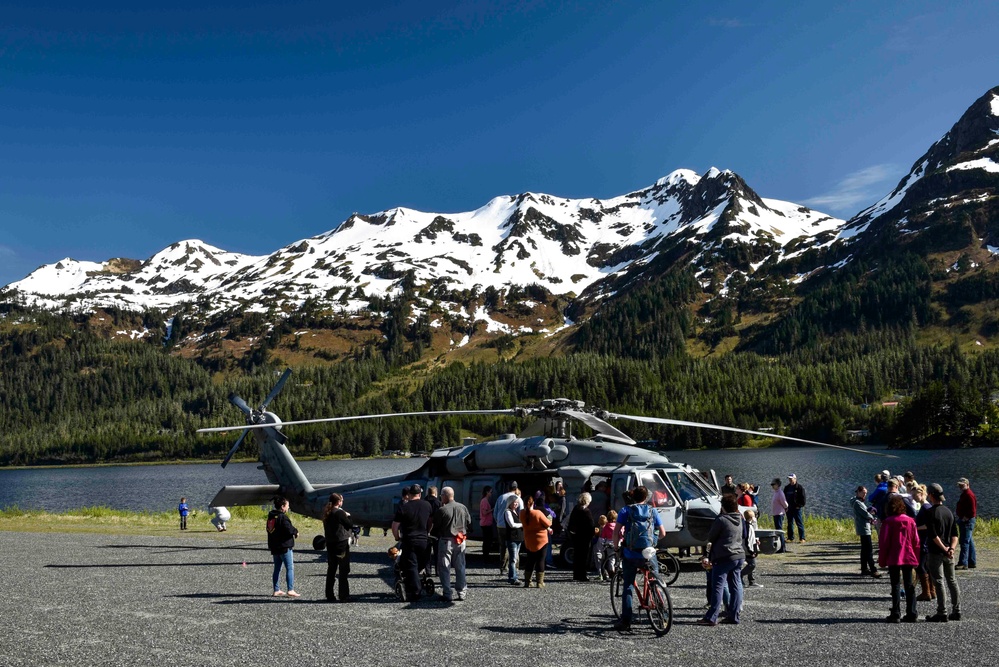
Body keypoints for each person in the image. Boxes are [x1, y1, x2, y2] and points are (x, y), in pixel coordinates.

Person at [612, 486, 666, 632]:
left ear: (632, 496)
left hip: (631, 553)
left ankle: (626, 621)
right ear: (646, 497)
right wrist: (653, 542)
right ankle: (663, 614)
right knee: (655, 580)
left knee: (628, 585)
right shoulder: (652, 510)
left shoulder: (625, 511)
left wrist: (617, 548)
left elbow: (616, 533)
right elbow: (662, 533)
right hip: (648, 553)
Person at [698, 495, 746, 626]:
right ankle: (734, 615)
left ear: (723, 506)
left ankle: (712, 617)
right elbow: (744, 535)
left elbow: (711, 537)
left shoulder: (721, 520)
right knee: (736, 586)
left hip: (724, 556)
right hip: (738, 555)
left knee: (718, 586)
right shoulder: (740, 518)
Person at [921, 483, 961, 622]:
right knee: (952, 581)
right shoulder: (949, 512)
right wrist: (952, 549)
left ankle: (942, 612)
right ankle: (957, 611)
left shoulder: (930, 513)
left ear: (931, 495)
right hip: (949, 552)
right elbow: (955, 534)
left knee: (939, 581)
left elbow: (933, 535)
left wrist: (944, 549)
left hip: (935, 552)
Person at [878, 495, 920, 623]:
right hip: (908, 555)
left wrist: (882, 559)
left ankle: (896, 613)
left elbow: (883, 542)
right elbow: (916, 541)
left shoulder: (888, 521)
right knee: (909, 585)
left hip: (894, 556)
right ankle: (912, 612)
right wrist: (916, 558)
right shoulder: (910, 521)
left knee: (895, 585)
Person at [391, 483, 432, 603]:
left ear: (409, 494)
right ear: (420, 494)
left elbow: (395, 525)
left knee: (411, 565)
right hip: (423, 539)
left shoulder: (404, 507)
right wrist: (427, 532)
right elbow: (431, 521)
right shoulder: (427, 505)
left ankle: (415, 590)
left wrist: (397, 537)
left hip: (409, 539)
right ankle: (417, 582)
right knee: (422, 562)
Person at [431, 486, 472, 602]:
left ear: (444, 496)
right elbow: (469, 524)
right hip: (460, 540)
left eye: (441, 496)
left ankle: (447, 593)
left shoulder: (442, 510)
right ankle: (462, 592)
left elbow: (436, 527)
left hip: (446, 540)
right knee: (460, 567)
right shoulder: (463, 507)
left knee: (444, 567)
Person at [266, 496, 300, 597]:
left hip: (275, 546)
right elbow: (289, 529)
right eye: (287, 506)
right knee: (289, 567)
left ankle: (276, 589)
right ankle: (290, 589)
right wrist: (296, 532)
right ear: (282, 506)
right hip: (284, 547)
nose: (288, 508)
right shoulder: (283, 517)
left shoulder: (271, 517)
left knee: (277, 568)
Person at [322, 493, 353, 603]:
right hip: (341, 544)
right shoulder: (339, 513)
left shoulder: (327, 512)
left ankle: (330, 594)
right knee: (343, 569)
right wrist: (348, 516)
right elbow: (350, 525)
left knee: (332, 569)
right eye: (341, 500)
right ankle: (343, 595)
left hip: (330, 543)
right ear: (338, 502)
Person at [519, 494, 552, 588]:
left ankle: (527, 581)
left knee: (530, 560)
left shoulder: (521, 513)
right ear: (533, 503)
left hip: (529, 540)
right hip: (541, 540)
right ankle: (540, 582)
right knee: (540, 561)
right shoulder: (538, 513)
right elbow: (548, 523)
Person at [912, 484, 935, 601]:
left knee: (920, 566)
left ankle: (926, 592)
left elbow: (928, 526)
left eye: (915, 495)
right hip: (924, 540)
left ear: (921, 494)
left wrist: (915, 528)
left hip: (924, 541)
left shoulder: (926, 508)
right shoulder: (924, 507)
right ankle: (931, 590)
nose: (913, 498)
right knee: (926, 565)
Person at [567, 492, 597, 582]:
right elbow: (591, 525)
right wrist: (592, 534)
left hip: (576, 535)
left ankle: (576, 574)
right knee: (583, 557)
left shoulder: (576, 508)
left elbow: (571, 522)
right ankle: (582, 575)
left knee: (577, 556)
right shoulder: (586, 511)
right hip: (584, 537)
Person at [851, 486, 880, 578]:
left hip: (864, 527)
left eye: (866, 493)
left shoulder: (858, 502)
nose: (865, 494)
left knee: (864, 550)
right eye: (863, 492)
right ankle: (873, 569)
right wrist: (873, 517)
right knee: (868, 550)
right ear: (858, 492)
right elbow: (865, 514)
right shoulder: (857, 503)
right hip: (864, 528)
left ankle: (864, 569)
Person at [494, 482, 521, 576]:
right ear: (516, 488)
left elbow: (495, 512)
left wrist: (498, 521)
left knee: (503, 547)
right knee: (515, 548)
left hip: (501, 526)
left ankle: (503, 568)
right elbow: (521, 513)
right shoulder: (518, 499)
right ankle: (515, 568)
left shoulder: (501, 497)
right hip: (512, 526)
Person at [955, 477, 977, 570]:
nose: (960, 486)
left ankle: (963, 563)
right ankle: (972, 562)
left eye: (962, 485)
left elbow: (972, 511)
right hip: (965, 520)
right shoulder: (965, 494)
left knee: (964, 542)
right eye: (960, 485)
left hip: (967, 521)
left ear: (967, 485)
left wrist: (965, 518)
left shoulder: (969, 495)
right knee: (969, 541)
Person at [503, 496, 524, 585]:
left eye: (517, 502)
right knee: (513, 559)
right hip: (512, 538)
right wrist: (522, 524)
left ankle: (513, 576)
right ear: (510, 503)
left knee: (514, 558)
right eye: (514, 502)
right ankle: (513, 578)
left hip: (518, 538)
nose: (516, 504)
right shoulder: (508, 512)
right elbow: (511, 524)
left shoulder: (516, 512)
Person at [593, 510, 618, 581]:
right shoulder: (618, 526)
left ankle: (612, 573)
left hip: (609, 545)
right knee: (619, 559)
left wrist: (600, 549)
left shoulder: (606, 527)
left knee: (611, 560)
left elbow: (602, 538)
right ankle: (620, 572)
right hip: (618, 544)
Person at [741, 509, 761, 588]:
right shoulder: (748, 527)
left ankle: (751, 580)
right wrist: (751, 551)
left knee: (751, 564)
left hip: (749, 548)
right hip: (748, 550)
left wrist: (756, 542)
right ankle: (741, 575)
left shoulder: (749, 525)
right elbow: (747, 540)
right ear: (752, 518)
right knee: (752, 565)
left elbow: (751, 538)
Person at [784, 474, 806, 543]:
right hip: (789, 508)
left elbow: (803, 499)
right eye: (789, 479)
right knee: (790, 523)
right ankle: (790, 537)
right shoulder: (787, 488)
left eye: (791, 478)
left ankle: (802, 538)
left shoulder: (799, 487)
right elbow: (783, 497)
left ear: (795, 479)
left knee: (799, 523)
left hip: (796, 509)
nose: (790, 480)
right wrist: (785, 506)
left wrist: (799, 505)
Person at [770, 478, 788, 553]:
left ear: (777, 485)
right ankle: (781, 547)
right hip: (776, 514)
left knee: (779, 531)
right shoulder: (776, 492)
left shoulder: (780, 493)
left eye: (773, 484)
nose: (772, 486)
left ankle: (783, 547)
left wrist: (786, 508)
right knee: (778, 530)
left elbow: (784, 503)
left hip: (779, 514)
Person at [479, 486, 495, 558]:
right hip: (486, 523)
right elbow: (484, 512)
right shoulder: (484, 501)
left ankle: (486, 555)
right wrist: (492, 509)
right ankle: (485, 556)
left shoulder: (485, 500)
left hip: (487, 523)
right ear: (487, 492)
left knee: (487, 540)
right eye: (490, 492)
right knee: (487, 541)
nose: (491, 494)